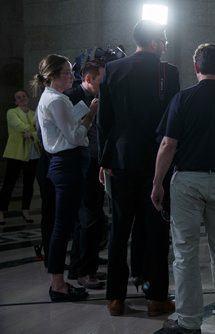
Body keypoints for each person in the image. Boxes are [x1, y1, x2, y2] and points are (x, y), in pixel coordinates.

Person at [151, 43, 215, 333]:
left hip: (188, 181)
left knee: (185, 252)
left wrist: (157, 182)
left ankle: (189, 320)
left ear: (196, 67)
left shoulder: (183, 99)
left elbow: (168, 144)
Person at [97, 20, 177, 317]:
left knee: (119, 229)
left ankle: (115, 298)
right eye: (164, 40)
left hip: (120, 161)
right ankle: (157, 297)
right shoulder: (168, 73)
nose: (165, 45)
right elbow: (172, 124)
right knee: (156, 229)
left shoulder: (114, 70)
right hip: (156, 162)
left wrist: (103, 162)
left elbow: (104, 121)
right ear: (156, 42)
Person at [32, 54, 97, 301]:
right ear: (52, 76)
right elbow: (74, 136)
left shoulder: (55, 98)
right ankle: (57, 284)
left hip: (66, 164)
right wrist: (90, 115)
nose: (72, 76)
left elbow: (66, 124)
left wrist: (82, 112)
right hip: (66, 164)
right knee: (62, 226)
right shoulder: (56, 100)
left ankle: (58, 281)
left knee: (64, 225)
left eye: (72, 72)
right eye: (67, 73)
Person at [64, 60, 106, 289]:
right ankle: (84, 272)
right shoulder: (71, 97)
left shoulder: (98, 97)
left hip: (94, 161)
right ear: (88, 79)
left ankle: (77, 267)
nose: (105, 82)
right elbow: (74, 129)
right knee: (88, 219)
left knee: (91, 218)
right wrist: (91, 112)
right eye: (101, 78)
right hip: (82, 162)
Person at [0, 90, 40, 225]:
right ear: (15, 101)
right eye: (18, 97)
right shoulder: (11, 112)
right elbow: (18, 126)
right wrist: (32, 130)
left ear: (27, 98)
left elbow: (39, 132)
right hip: (16, 154)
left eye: (24, 96)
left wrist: (32, 134)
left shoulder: (34, 114)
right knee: (9, 184)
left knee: (29, 185)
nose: (22, 98)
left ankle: (25, 210)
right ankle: (1, 211)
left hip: (32, 155)